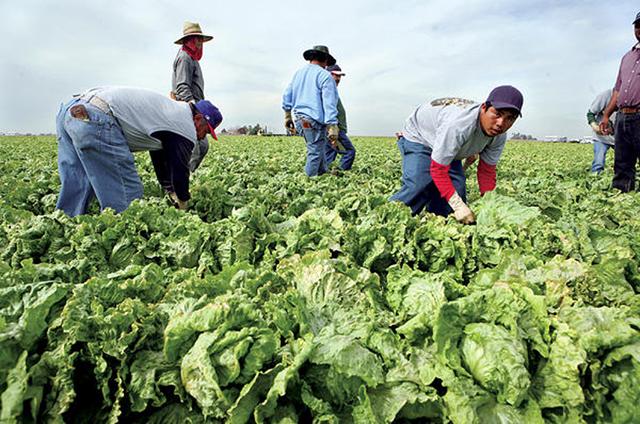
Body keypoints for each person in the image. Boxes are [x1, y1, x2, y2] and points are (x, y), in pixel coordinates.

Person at [55, 86, 222, 217]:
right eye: (205, 131)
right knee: (127, 195)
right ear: (198, 119)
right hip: (97, 116)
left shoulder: (172, 113)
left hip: (72, 110)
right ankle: (128, 248)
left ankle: (67, 227)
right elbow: (180, 170)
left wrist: (170, 190)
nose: (201, 137)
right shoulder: (185, 127)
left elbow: (158, 155)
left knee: (79, 180)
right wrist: (183, 199)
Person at [389, 86, 523, 224]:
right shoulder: (459, 125)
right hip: (421, 135)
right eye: (497, 114)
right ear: (484, 108)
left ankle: (438, 223)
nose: (501, 123)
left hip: (449, 145)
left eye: (510, 118)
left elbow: (486, 172)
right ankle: (388, 220)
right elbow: (438, 170)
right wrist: (458, 205)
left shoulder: (499, 136)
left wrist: (490, 207)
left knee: (456, 190)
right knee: (419, 183)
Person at [282, 45, 340, 176]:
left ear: (311, 58)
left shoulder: (298, 74)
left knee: (318, 149)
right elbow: (329, 102)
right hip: (313, 121)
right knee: (314, 151)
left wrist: (287, 116)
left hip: (299, 119)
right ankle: (309, 182)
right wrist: (332, 125)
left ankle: (323, 175)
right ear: (325, 60)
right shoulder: (325, 76)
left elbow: (287, 95)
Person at [600, 12, 640, 192]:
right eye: (638, 25)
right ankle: (622, 205)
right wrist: (607, 115)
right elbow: (618, 89)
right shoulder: (627, 57)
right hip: (623, 117)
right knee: (622, 165)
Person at [171, 21, 214, 172]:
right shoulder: (185, 58)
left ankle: (182, 180)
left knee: (201, 146)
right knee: (197, 146)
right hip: (187, 109)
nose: (200, 43)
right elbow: (182, 87)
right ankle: (180, 182)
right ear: (189, 40)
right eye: (197, 39)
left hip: (192, 108)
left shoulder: (192, 58)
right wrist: (195, 110)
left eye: (201, 40)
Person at [325, 64, 356, 171]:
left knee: (330, 152)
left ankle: (326, 175)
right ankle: (340, 172)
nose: (338, 78)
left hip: (332, 129)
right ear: (328, 75)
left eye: (339, 76)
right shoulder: (328, 91)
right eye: (335, 75)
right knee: (349, 151)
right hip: (334, 129)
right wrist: (333, 129)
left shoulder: (331, 90)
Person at [587, 89, 615, 173]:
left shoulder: (631, 98)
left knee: (624, 163)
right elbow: (590, 113)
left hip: (619, 138)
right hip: (601, 138)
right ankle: (595, 180)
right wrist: (595, 127)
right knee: (598, 162)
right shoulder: (606, 96)